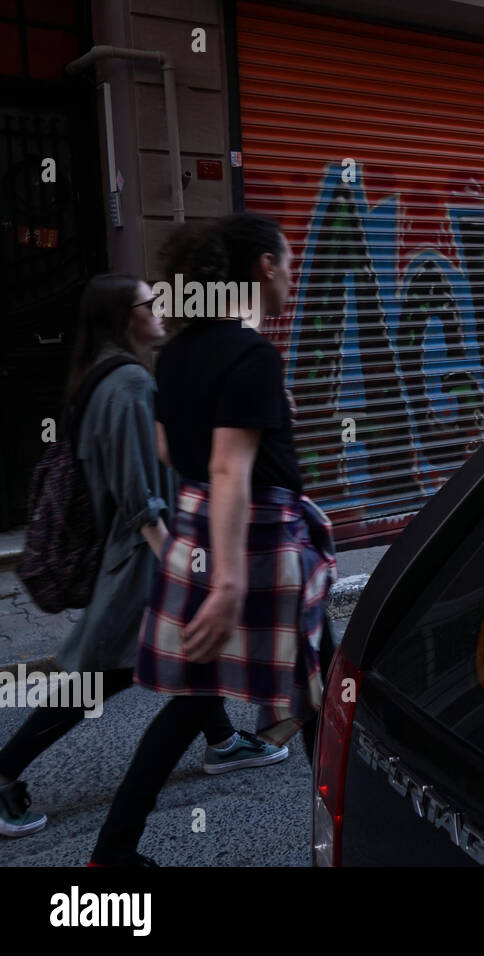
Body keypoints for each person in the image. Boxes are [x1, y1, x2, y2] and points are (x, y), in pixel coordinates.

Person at [0, 275, 288, 840]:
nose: (160, 310)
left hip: (134, 562)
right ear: (125, 317)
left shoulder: (101, 378)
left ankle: (224, 742)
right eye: (148, 304)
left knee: (187, 662)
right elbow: (137, 495)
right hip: (141, 565)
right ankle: (6, 770)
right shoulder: (128, 382)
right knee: (105, 679)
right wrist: (179, 560)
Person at [90, 214, 336, 866]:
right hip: (260, 546)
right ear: (261, 268)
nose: (292, 275)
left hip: (205, 531)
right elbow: (231, 467)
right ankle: (344, 837)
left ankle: (112, 853)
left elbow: (172, 449)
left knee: (195, 702)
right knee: (320, 691)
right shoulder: (253, 356)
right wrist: (229, 580)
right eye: (287, 261)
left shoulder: (176, 356)